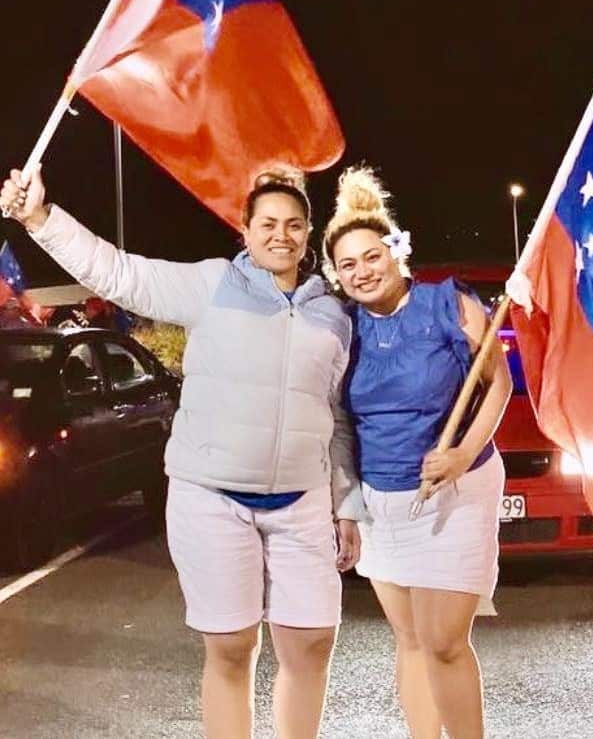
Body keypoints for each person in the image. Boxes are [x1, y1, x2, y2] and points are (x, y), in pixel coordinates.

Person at [1, 164, 363, 739]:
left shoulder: (332, 315)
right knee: (231, 646)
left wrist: (347, 503)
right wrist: (40, 218)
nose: (281, 235)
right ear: (244, 230)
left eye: (294, 224)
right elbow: (119, 274)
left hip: (301, 505)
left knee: (312, 641)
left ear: (309, 232)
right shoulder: (213, 285)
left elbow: (336, 415)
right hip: (213, 499)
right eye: (267, 223)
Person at [322, 167, 512, 739]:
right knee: (408, 641)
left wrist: (460, 454)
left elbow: (497, 386)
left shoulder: (448, 303)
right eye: (347, 265)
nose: (362, 271)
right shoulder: (344, 328)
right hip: (384, 505)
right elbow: (339, 423)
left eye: (371, 256)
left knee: (444, 643)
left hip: (457, 491)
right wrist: (347, 506)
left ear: (396, 252)